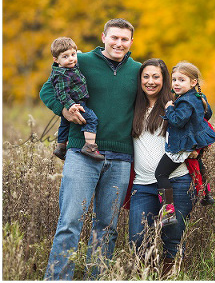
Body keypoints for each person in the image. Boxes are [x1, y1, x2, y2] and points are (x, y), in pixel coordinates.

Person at [40, 18, 141, 280]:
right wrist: (64, 110)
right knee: (70, 222)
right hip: (81, 154)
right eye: (114, 37)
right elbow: (46, 90)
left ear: (131, 42)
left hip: (120, 157)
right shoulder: (79, 60)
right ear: (103, 37)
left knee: (106, 227)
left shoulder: (138, 70)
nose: (119, 43)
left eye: (124, 39)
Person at [128, 58, 197, 276]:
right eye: (146, 76)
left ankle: (170, 277)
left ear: (164, 79)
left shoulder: (175, 106)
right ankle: (145, 277)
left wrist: (192, 150)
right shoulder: (133, 107)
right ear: (139, 80)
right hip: (143, 186)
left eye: (156, 77)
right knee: (138, 238)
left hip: (175, 182)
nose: (150, 81)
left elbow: (195, 130)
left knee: (173, 237)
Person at [154, 61, 215, 227]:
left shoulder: (184, 102)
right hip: (194, 142)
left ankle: (168, 212)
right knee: (198, 163)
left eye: (181, 80)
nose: (176, 83)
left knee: (161, 174)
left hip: (182, 145)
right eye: (174, 79)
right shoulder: (199, 97)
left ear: (193, 82)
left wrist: (169, 108)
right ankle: (206, 193)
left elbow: (178, 121)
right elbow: (208, 114)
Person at [49, 36, 104, 161]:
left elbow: (74, 61)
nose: (71, 59)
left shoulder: (70, 68)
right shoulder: (62, 74)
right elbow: (62, 92)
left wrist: (78, 55)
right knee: (91, 119)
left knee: (65, 124)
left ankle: (61, 147)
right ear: (56, 60)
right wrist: (70, 105)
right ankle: (89, 146)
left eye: (73, 54)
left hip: (74, 102)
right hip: (76, 103)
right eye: (65, 56)